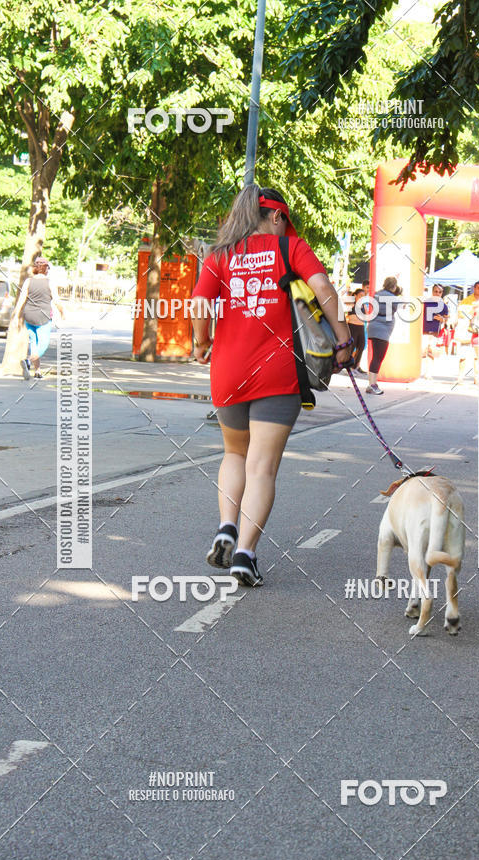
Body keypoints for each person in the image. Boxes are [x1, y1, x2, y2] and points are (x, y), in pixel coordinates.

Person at [190, 185, 352, 586]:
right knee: (263, 467)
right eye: (287, 221)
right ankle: (245, 554)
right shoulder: (290, 248)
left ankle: (226, 526)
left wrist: (202, 342)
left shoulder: (221, 255)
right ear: (277, 217)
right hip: (277, 374)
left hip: (228, 372)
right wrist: (344, 339)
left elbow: (198, 305)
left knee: (233, 454)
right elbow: (324, 290)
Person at [13, 257, 65, 379]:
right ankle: (28, 362)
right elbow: (56, 300)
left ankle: (37, 371)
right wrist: (62, 312)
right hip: (43, 317)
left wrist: (16, 315)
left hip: (29, 316)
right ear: (46, 268)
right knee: (43, 344)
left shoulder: (28, 281)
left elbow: (22, 299)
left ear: (35, 268)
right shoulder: (49, 282)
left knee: (34, 343)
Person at [366, 276, 400, 395]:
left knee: (375, 357)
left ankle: (371, 383)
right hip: (383, 330)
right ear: (394, 286)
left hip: (373, 326)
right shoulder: (394, 298)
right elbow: (396, 308)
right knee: (378, 357)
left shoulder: (376, 294)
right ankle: (372, 384)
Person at [455, 281, 479, 384]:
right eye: (478, 288)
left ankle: (477, 378)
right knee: (463, 354)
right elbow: (461, 314)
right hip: (468, 330)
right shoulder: (467, 301)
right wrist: (472, 310)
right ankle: (460, 377)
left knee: (478, 356)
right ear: (474, 289)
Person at [421, 283, 448, 378]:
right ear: (432, 292)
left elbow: (446, 318)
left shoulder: (444, 306)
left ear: (442, 293)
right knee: (422, 351)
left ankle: (428, 373)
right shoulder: (425, 303)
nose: (437, 293)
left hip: (435, 332)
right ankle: (419, 370)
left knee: (431, 352)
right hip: (423, 331)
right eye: (436, 291)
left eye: (440, 292)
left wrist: (442, 319)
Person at [346, 287, 367, 374]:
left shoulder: (363, 305)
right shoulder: (351, 303)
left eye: (363, 296)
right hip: (352, 326)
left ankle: (355, 366)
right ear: (355, 295)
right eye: (360, 295)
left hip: (361, 327)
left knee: (361, 346)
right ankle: (347, 366)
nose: (362, 297)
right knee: (351, 346)